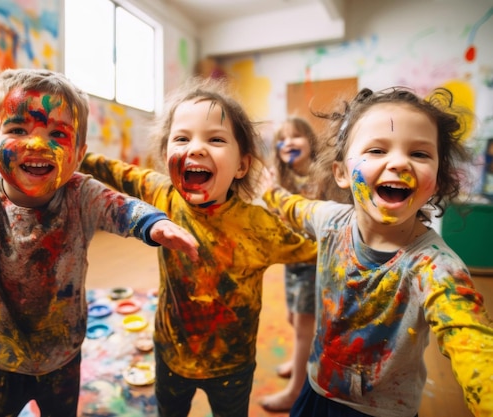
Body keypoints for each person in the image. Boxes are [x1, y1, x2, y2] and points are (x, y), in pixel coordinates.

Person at [0, 68, 200, 417]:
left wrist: (154, 222)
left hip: (62, 355)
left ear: (78, 153)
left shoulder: (81, 193)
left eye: (57, 133)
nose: (38, 144)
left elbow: (122, 207)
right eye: (17, 130)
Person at [79, 77, 317, 417]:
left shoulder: (260, 228)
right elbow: (118, 172)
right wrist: (78, 155)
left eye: (216, 139)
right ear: (165, 156)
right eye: (182, 138)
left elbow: (317, 249)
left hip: (232, 366)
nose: (196, 148)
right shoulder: (164, 194)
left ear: (241, 165)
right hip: (170, 353)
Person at [264, 86, 493, 416]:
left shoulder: (436, 268)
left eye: (419, 154)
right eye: (377, 150)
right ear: (342, 173)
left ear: (438, 182)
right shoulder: (330, 221)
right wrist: (270, 191)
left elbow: (473, 343)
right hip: (317, 389)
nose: (399, 162)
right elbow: (293, 206)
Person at [259, 116, 321, 412]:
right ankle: (301, 359)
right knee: (295, 319)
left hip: (315, 260)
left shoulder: (320, 176)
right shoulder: (282, 178)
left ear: (311, 141)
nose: (289, 143)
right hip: (292, 259)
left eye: (296, 136)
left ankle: (296, 389)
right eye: (282, 139)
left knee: (303, 326)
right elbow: (276, 213)